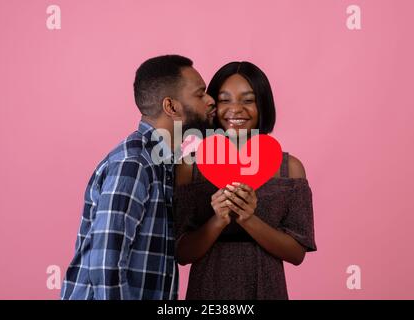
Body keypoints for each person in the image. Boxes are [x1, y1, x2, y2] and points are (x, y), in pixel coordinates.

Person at [61, 55, 216, 300]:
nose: (211, 101)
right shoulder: (134, 164)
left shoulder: (164, 164)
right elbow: (105, 266)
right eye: (200, 94)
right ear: (171, 107)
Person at [173, 61, 317, 300]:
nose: (236, 109)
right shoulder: (189, 168)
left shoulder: (290, 170)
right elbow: (182, 253)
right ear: (212, 105)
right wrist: (217, 220)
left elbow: (296, 254)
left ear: (263, 105)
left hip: (267, 290)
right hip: (207, 291)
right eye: (225, 99)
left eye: (248, 100)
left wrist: (248, 218)